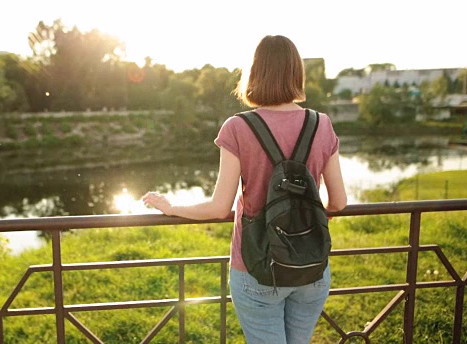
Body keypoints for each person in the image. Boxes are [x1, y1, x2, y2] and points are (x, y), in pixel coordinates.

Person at [142, 34, 347, 343]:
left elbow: (218, 208)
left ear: (254, 72)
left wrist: (172, 208)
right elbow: (339, 202)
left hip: (256, 268)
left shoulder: (238, 127)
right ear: (296, 73)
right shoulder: (322, 124)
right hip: (311, 265)